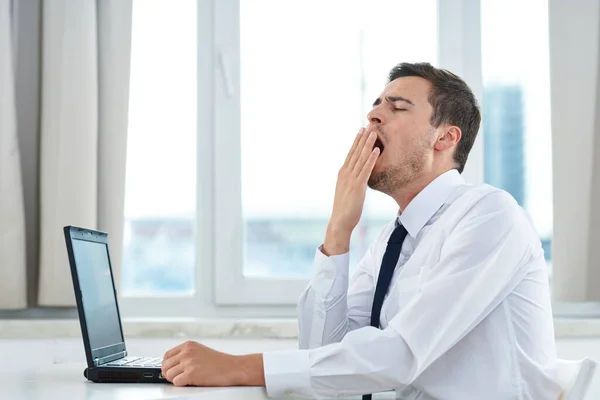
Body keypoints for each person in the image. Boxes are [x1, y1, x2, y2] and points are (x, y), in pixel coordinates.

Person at [160, 62, 561, 399]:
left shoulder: (489, 216)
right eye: (375, 105)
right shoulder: (393, 239)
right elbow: (324, 354)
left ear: (446, 137)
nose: (373, 116)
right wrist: (338, 228)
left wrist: (239, 367)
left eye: (397, 107)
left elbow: (401, 353)